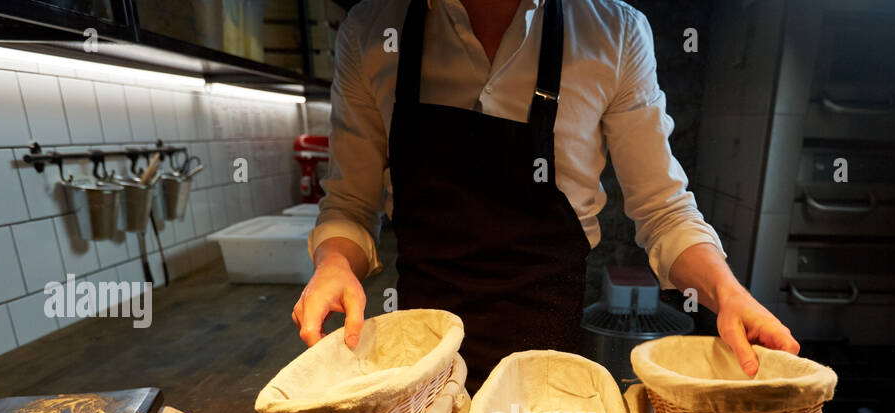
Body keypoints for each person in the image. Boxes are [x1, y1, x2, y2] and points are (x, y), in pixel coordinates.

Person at [292, 0, 799, 386]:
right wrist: (334, 264)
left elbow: (665, 212)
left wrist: (727, 293)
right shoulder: (371, 32)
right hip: (418, 371)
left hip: (548, 372)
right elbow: (351, 206)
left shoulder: (613, 33)